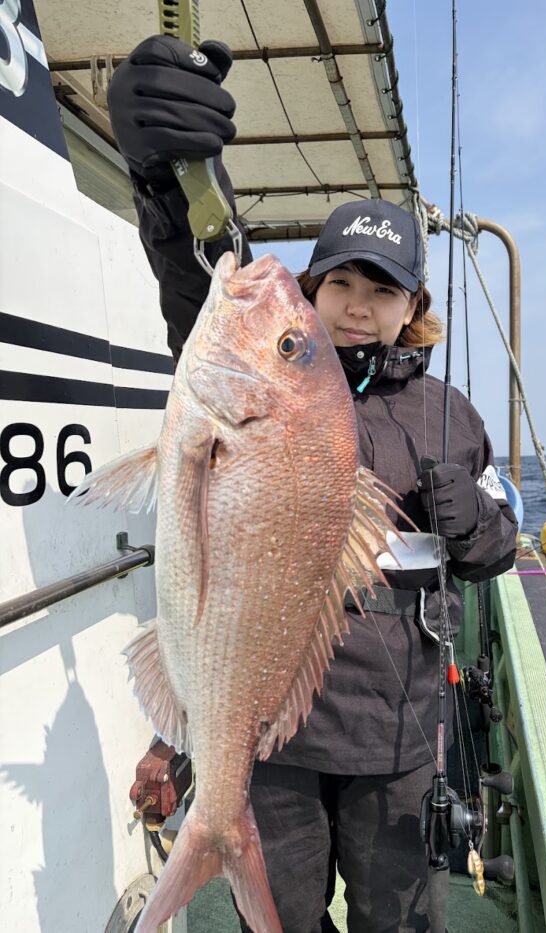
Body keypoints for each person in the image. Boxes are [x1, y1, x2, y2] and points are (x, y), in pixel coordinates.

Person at [107, 35, 518, 933]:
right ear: (315, 288)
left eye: (385, 287)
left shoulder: (452, 415)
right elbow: (194, 284)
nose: (359, 302)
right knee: (280, 921)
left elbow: (497, 549)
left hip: (402, 735)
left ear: (415, 308)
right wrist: (163, 176)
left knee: (399, 920)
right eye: (339, 281)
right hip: (278, 732)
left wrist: (472, 523)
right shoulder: (273, 376)